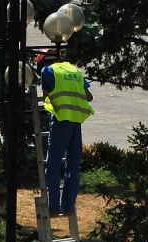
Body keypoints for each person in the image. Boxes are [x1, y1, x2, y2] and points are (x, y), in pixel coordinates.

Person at [41, 58, 94, 216]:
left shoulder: (48, 71)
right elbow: (89, 97)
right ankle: (68, 206)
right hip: (76, 121)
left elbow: (45, 97)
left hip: (61, 120)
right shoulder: (75, 71)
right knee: (73, 165)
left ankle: (54, 207)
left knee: (53, 163)